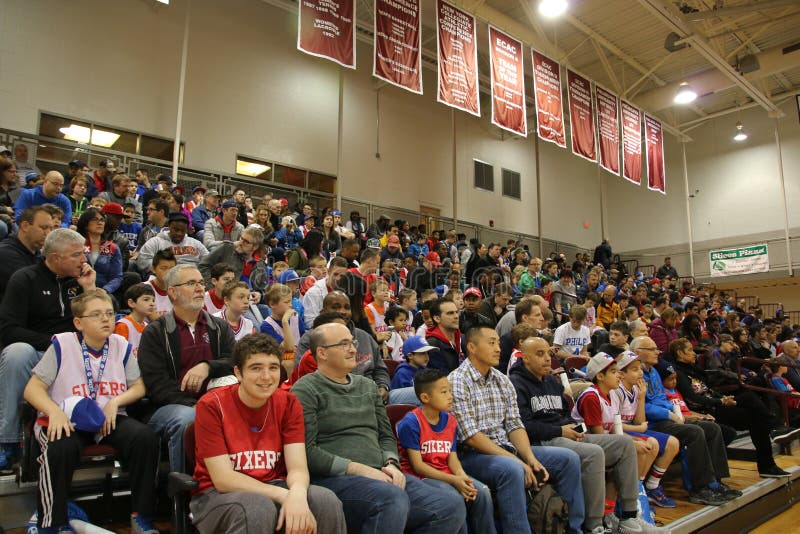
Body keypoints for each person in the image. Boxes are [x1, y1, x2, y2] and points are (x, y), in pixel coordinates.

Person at [291, 322, 466, 534]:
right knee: (391, 499)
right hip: (336, 479)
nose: (354, 349)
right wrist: (358, 468)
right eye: (344, 344)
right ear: (322, 353)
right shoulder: (305, 389)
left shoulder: (368, 386)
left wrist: (391, 463)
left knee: (450, 505)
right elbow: (307, 451)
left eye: (352, 343)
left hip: (381, 473)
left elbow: (385, 435)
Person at [23, 289, 160, 534]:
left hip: (107, 417)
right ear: (79, 323)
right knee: (60, 445)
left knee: (144, 438)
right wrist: (53, 411)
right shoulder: (63, 344)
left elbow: (139, 386)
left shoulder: (120, 345)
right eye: (96, 315)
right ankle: (50, 524)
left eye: (109, 313)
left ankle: (142, 516)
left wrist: (116, 402)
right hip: (67, 418)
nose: (106, 319)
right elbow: (32, 390)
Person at [190, 333, 346, 534]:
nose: (266, 377)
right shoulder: (211, 405)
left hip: (274, 483)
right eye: (256, 368)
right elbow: (223, 478)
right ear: (238, 373)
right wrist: (283, 496)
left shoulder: (289, 403)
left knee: (325, 500)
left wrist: (297, 494)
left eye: (273, 368)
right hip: (216, 494)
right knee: (256, 508)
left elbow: (297, 468)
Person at [511, 339, 660, 534]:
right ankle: (595, 525)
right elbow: (523, 426)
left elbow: (564, 414)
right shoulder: (516, 383)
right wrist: (561, 430)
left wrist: (572, 428)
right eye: (540, 354)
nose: (548, 359)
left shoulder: (550, 380)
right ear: (526, 357)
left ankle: (629, 517)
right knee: (594, 452)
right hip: (542, 440)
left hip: (565, 433)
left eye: (548, 353)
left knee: (624, 444)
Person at [448, 325, 584, 534]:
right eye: (491, 343)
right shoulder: (457, 381)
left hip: (508, 449)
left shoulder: (502, 379)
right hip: (472, 455)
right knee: (511, 470)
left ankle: (572, 529)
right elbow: (471, 437)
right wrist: (518, 462)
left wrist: (529, 458)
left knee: (568, 459)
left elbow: (515, 425)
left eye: (498, 343)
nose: (498, 348)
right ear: (472, 347)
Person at [0, 228, 97, 472]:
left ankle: (94, 429)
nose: (83, 260)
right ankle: (9, 441)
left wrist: (90, 289)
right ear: (55, 258)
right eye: (76, 255)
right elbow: (9, 329)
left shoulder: (80, 280)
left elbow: (100, 321)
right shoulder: (25, 278)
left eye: (83, 254)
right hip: (38, 350)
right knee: (16, 352)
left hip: (75, 352)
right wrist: (54, 343)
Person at [137, 264, 235, 472]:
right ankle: (184, 490)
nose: (200, 288)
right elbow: (157, 385)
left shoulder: (219, 327)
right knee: (188, 420)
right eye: (191, 283)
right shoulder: (155, 332)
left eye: (201, 282)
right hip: (167, 407)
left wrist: (207, 367)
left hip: (214, 401)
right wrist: (195, 405)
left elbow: (233, 362)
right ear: (172, 292)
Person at [631, 336, 737, 505]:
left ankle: (715, 482)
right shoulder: (635, 374)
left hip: (667, 417)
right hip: (653, 423)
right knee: (694, 432)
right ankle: (699, 489)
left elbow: (662, 398)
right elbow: (643, 406)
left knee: (712, 428)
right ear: (638, 353)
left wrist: (675, 411)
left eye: (657, 348)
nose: (657, 352)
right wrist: (669, 414)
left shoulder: (654, 371)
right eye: (652, 349)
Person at [669, 338, 791, 478]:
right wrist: (721, 401)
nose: (694, 354)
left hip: (716, 404)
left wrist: (723, 398)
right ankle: (774, 430)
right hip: (706, 411)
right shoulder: (679, 373)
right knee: (749, 399)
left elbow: (709, 390)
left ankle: (768, 465)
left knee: (756, 417)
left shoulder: (695, 369)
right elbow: (693, 398)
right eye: (690, 350)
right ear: (679, 353)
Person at [396, 369, 496, 534]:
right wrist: (454, 480)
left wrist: (462, 476)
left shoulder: (450, 419)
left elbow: (452, 458)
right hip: (422, 477)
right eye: (444, 392)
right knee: (455, 499)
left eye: (449, 390)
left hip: (447, 473)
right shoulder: (411, 422)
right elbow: (418, 466)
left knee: (481, 492)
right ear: (425, 398)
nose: (450, 396)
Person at [614, 352, 680, 508]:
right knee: (650, 445)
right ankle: (636, 491)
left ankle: (651, 486)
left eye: (640, 369)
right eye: (635, 369)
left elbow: (639, 420)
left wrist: (642, 397)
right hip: (619, 431)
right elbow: (613, 425)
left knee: (673, 443)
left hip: (633, 428)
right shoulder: (616, 391)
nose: (641, 373)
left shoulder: (636, 389)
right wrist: (639, 427)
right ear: (622, 374)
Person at [0, 205, 53, 300]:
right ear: (25, 226)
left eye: (51, 229)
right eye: (44, 227)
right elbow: (38, 289)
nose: (48, 233)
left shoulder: (37, 253)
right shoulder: (5, 253)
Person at [76, 207, 123, 298]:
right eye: (95, 219)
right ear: (85, 224)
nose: (100, 222)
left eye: (102, 220)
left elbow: (117, 277)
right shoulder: (77, 245)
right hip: (79, 289)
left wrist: (105, 290)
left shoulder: (113, 247)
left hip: (103, 291)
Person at [136, 212, 208, 272]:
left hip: (193, 275)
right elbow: (143, 262)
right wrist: (164, 269)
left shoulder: (196, 243)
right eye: (176, 230)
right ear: (169, 227)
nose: (179, 233)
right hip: (166, 276)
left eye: (182, 231)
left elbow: (208, 260)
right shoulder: (156, 242)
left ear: (187, 230)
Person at [301, 256, 349, 328]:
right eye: (335, 274)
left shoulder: (346, 290)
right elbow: (309, 323)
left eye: (342, 275)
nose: (338, 278)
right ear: (328, 271)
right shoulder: (313, 293)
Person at [114, 283, 157, 358]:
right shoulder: (123, 325)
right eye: (146, 299)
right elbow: (118, 355)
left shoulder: (147, 326)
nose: (152, 304)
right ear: (131, 303)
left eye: (153, 300)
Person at [425, 299, 463, 373]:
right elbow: (440, 379)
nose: (456, 316)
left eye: (457, 312)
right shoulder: (432, 345)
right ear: (437, 318)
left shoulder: (464, 338)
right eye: (450, 313)